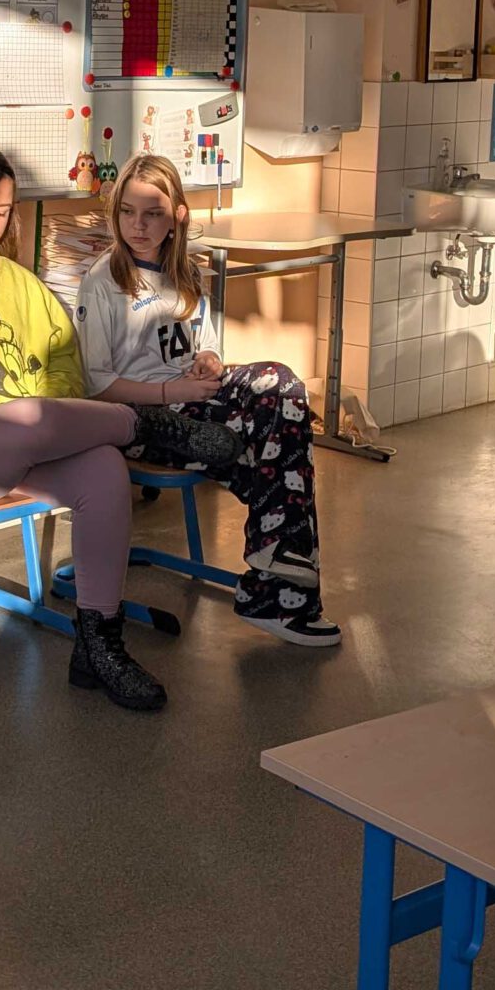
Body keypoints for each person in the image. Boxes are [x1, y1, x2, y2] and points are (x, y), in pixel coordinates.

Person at [0, 143, 237, 710]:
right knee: (28, 416)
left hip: (27, 443)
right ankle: (144, 424)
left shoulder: (21, 283)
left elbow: (66, 367)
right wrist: (5, 405)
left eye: (2, 212)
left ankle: (98, 646)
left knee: (103, 468)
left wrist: (41, 404)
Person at [77, 153, 339, 645]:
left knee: (282, 384)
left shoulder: (187, 271)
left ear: (177, 216)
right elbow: (97, 386)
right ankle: (278, 589)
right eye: (127, 212)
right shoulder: (103, 281)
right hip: (142, 417)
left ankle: (277, 561)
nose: (138, 225)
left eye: (152, 213)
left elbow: (207, 346)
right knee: (275, 453)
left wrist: (210, 362)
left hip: (196, 398)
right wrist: (172, 390)